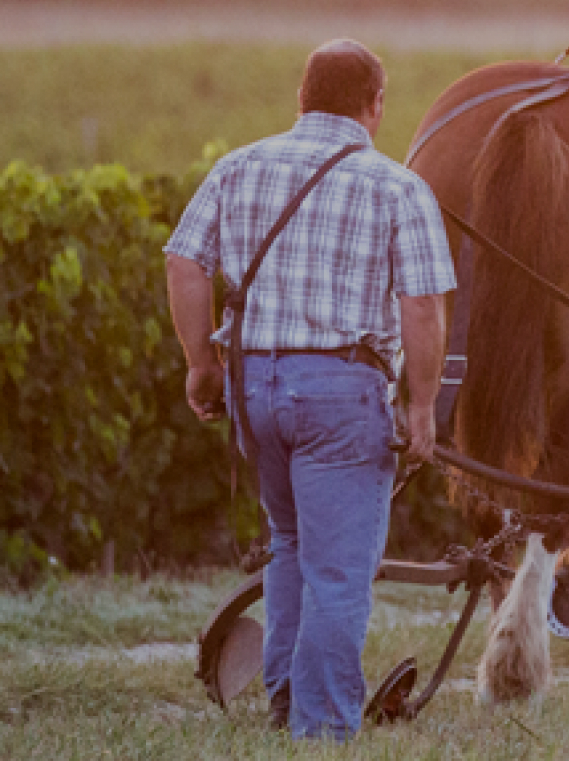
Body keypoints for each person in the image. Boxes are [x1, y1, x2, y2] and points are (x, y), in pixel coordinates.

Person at [164, 39, 455, 740]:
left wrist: (200, 363)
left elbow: (182, 260)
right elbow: (422, 306)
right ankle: (321, 731)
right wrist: (421, 407)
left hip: (255, 389)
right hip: (340, 395)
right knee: (339, 569)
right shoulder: (396, 186)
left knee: (290, 543)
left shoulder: (240, 167)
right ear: (375, 105)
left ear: (302, 96)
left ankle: (288, 699)